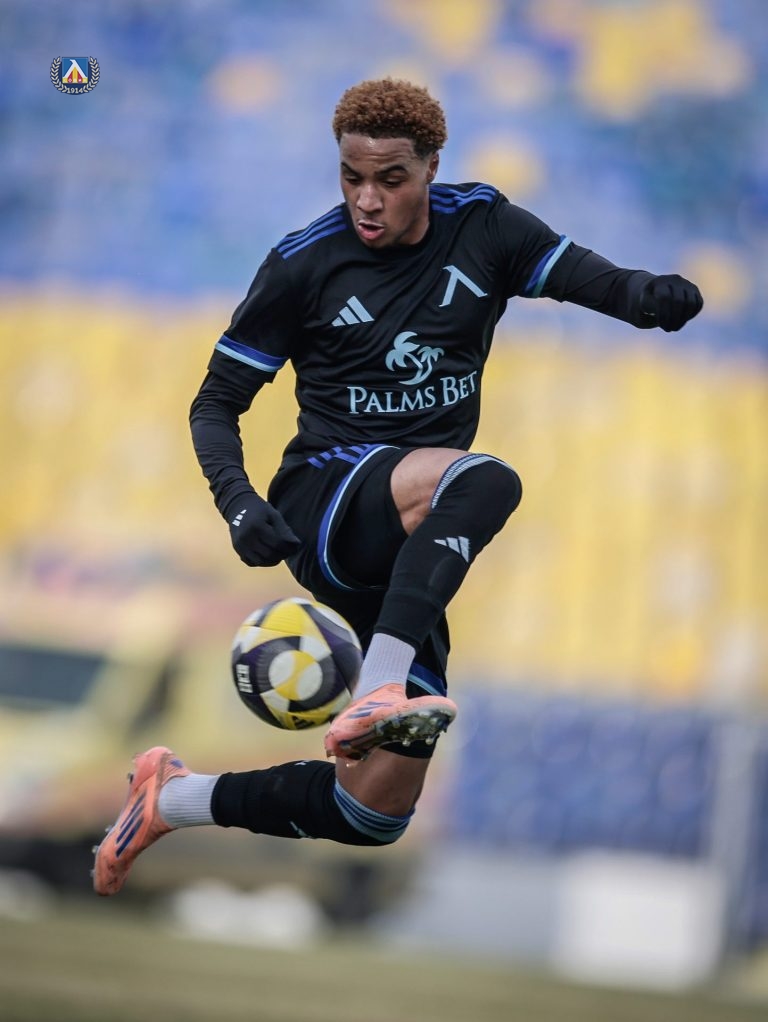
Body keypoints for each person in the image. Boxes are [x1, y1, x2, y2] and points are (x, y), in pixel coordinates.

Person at [92, 78, 702, 896]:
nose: (367, 200)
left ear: (431, 168)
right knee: (487, 481)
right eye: (351, 178)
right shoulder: (303, 263)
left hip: (411, 536)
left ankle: (172, 799)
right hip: (325, 499)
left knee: (373, 812)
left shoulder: (485, 226)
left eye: (390, 179)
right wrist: (238, 502)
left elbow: (607, 284)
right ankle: (379, 682)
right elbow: (215, 404)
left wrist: (654, 299)